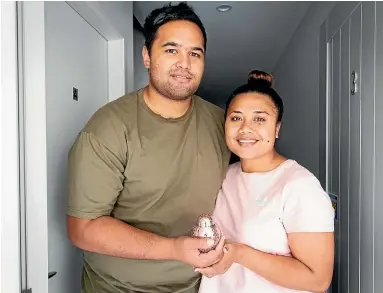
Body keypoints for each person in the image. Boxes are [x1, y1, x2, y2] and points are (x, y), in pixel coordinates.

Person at [66, 2, 230, 293]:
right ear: (146, 56)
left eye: (195, 53)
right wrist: (174, 249)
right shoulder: (109, 128)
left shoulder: (221, 123)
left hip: (198, 284)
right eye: (171, 50)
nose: (185, 63)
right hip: (118, 287)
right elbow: (83, 229)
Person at [197, 70, 335, 293]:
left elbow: (317, 280)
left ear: (277, 128)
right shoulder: (224, 175)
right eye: (236, 118)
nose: (245, 128)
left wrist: (239, 254)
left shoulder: (299, 186)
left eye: (259, 119)